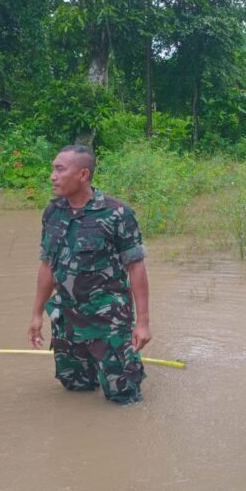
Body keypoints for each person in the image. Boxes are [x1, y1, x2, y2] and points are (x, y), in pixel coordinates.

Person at [28, 145, 151, 404]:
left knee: (124, 398)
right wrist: (37, 314)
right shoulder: (52, 213)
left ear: (83, 174)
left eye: (60, 169)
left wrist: (142, 323)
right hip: (67, 322)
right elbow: (47, 266)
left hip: (108, 324)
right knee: (75, 389)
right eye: (53, 169)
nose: (52, 176)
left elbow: (136, 267)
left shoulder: (117, 213)